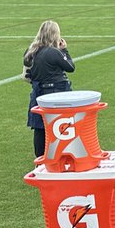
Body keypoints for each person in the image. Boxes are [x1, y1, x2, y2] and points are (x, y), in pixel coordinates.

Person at [23, 20, 75, 158]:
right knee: (60, 125)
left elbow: (26, 75)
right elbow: (70, 67)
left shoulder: (30, 51)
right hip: (57, 93)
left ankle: (40, 159)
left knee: (40, 128)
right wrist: (64, 50)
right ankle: (61, 156)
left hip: (38, 93)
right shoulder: (54, 52)